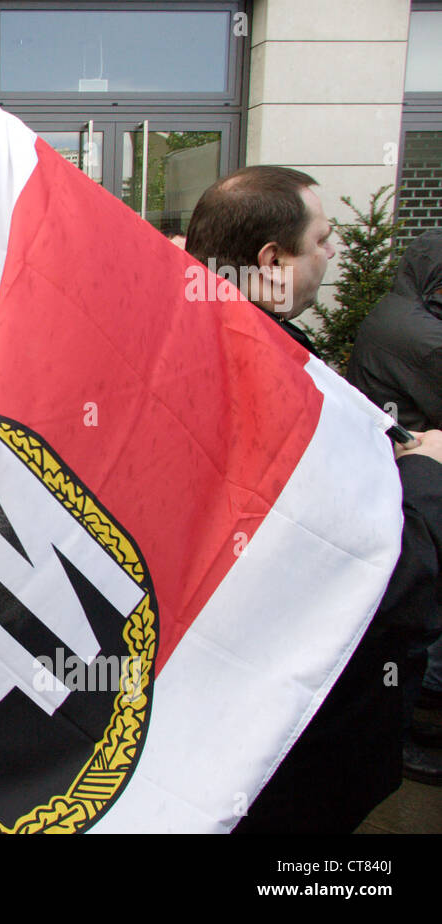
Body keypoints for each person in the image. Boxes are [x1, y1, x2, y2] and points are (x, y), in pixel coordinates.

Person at [185, 166, 442, 831]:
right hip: (295, 759)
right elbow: (384, 588)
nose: (334, 253)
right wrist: (428, 480)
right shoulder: (276, 388)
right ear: (271, 262)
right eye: (323, 238)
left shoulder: (190, 347)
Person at [346, 230, 442, 784]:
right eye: (321, 239)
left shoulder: (400, 313)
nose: (332, 253)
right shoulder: (418, 332)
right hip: (411, 476)